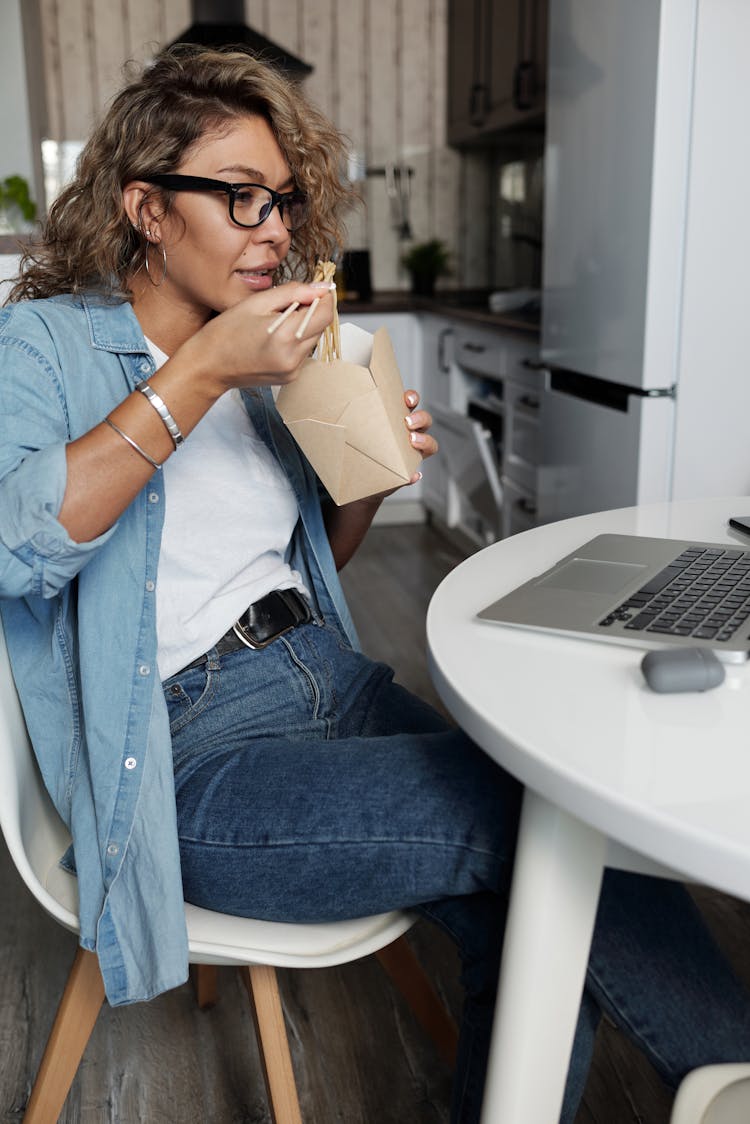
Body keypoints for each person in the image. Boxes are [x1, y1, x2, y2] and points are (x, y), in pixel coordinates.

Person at [0, 44, 749, 1124]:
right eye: (242, 199)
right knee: (539, 826)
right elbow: (20, 547)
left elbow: (309, 563)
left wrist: (368, 475)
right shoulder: (46, 347)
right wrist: (202, 371)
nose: (274, 229)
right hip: (190, 755)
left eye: (284, 203)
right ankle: (729, 1074)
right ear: (148, 210)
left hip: (327, 678)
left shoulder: (265, 364)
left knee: (537, 858)